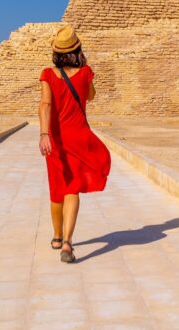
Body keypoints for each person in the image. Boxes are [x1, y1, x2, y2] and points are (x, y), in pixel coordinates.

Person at [38, 26, 111, 263]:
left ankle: (57, 236)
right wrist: (85, 74)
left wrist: (44, 134)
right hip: (78, 137)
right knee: (73, 188)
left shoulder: (48, 74)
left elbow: (45, 105)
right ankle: (68, 242)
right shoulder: (86, 72)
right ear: (77, 49)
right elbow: (90, 96)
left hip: (56, 139)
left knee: (57, 188)